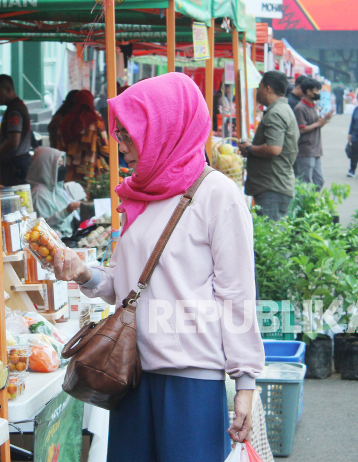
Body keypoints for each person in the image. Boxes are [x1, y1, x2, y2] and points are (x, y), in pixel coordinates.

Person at [53, 73, 264, 462]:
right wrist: (83, 272)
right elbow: (122, 285)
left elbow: (237, 295)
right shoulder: (142, 191)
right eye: (121, 135)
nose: (122, 145)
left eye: (130, 135)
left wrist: (246, 383)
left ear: (165, 129)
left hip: (190, 383)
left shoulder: (217, 195)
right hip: (129, 374)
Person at [241, 71, 299, 221]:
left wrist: (249, 149)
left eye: (259, 87)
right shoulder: (282, 110)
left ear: (268, 89)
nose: (257, 92)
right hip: (274, 184)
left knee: (272, 235)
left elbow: (274, 148)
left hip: (272, 186)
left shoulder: (276, 113)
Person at [56, 89, 110, 185]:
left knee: (73, 198)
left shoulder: (65, 120)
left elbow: (59, 148)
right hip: (90, 171)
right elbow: (104, 147)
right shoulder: (96, 121)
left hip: (70, 172)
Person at [26, 147, 81, 237]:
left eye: (62, 163)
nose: (62, 168)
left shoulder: (58, 189)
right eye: (58, 164)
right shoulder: (39, 194)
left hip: (66, 238)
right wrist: (67, 211)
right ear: (46, 167)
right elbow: (43, 226)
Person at [293, 78, 332, 189]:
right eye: (317, 90)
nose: (319, 93)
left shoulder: (314, 106)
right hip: (305, 150)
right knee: (305, 183)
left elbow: (317, 124)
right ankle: (304, 205)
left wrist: (325, 120)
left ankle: (313, 204)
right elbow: (302, 129)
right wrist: (318, 123)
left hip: (316, 149)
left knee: (319, 181)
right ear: (309, 92)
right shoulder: (300, 108)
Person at [0, 74, 33, 186]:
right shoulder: (19, 105)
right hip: (20, 163)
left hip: (14, 166)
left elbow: (13, 141)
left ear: (8, 89)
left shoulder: (14, 110)